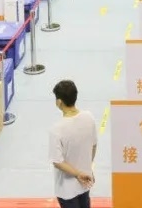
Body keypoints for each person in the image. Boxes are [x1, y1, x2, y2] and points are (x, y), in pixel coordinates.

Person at [49, 79, 97, 208]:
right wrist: (86, 168)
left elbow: (57, 162)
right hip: (85, 181)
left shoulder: (57, 129)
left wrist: (77, 174)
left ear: (59, 102)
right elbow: (93, 145)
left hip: (67, 189)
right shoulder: (89, 117)